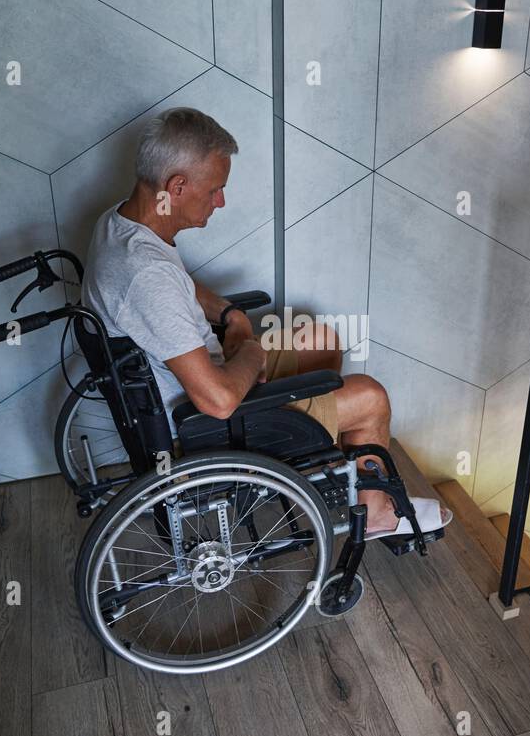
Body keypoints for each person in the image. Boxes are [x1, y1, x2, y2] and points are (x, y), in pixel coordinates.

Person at [81, 107, 449, 538]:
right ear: (177, 186)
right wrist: (251, 352)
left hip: (200, 374)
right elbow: (218, 401)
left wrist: (230, 314)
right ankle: (378, 513)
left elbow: (174, 282)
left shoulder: (122, 224)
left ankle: (321, 460)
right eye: (216, 189)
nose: (221, 201)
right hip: (207, 422)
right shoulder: (145, 276)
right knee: (371, 397)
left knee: (320, 338)